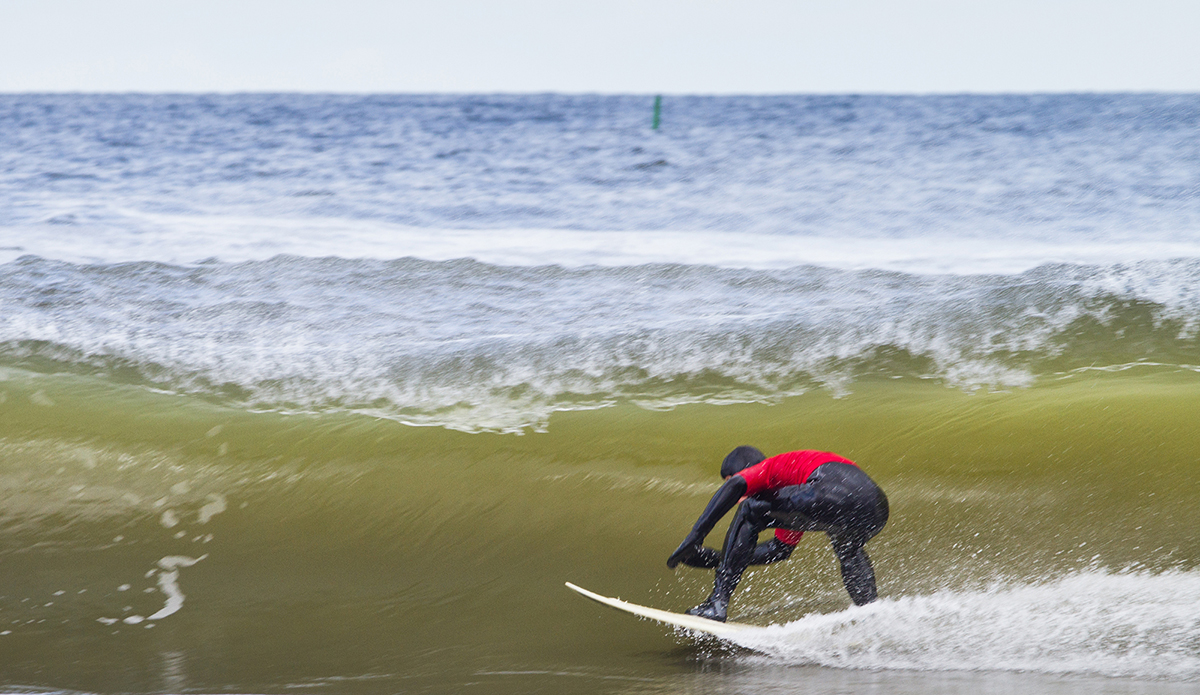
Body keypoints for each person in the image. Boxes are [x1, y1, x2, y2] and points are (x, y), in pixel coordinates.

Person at [667, 446, 889, 622]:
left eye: (728, 482)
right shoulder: (794, 492)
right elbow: (779, 549)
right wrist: (715, 558)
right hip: (875, 507)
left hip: (831, 489)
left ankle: (716, 604)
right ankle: (870, 615)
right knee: (848, 549)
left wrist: (695, 536)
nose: (736, 498)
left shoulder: (770, 467)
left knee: (749, 511)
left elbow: (736, 484)